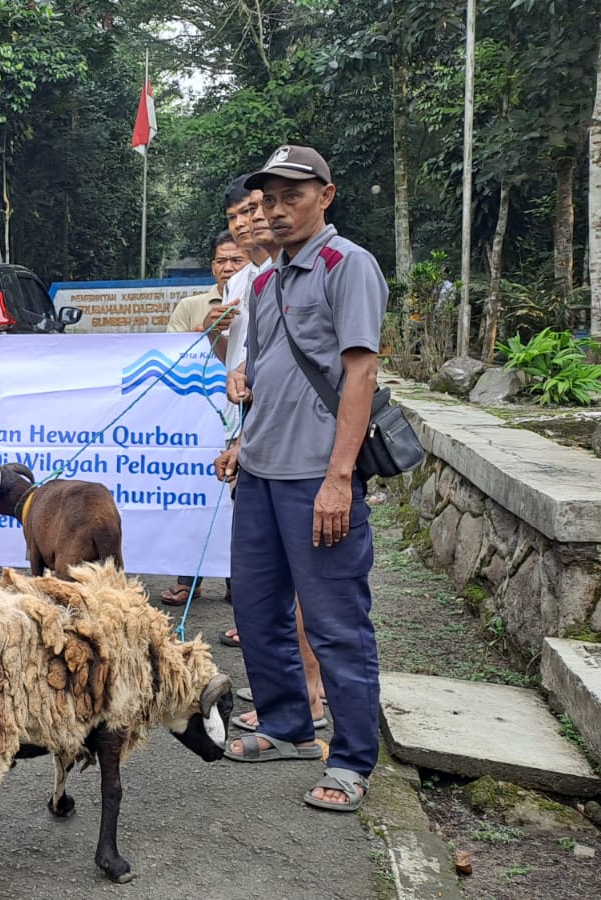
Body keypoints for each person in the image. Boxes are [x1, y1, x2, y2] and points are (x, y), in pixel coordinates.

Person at [219, 145, 385, 815]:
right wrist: (240, 438)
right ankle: (287, 724)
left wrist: (340, 477)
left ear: (326, 196)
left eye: (293, 196)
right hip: (259, 476)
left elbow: (361, 373)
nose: (277, 210)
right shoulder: (263, 283)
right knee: (257, 612)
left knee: (336, 623)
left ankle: (351, 760)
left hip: (318, 477)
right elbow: (264, 376)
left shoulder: (348, 266)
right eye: (269, 199)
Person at [213, 178, 328, 734]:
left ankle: (310, 691)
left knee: (306, 581)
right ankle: (282, 693)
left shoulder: (323, 270)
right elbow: (243, 363)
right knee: (267, 584)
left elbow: (352, 369)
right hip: (253, 438)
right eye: (238, 214)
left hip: (300, 450)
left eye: (256, 209)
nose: (250, 221)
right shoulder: (248, 280)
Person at [157, 230, 246, 607]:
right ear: (212, 266)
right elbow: (169, 356)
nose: (228, 267)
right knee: (194, 497)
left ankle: (236, 582)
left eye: (237, 260)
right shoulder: (191, 306)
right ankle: (187, 579)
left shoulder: (262, 298)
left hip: (241, 418)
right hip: (195, 421)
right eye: (221, 260)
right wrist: (203, 330)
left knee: (238, 503)